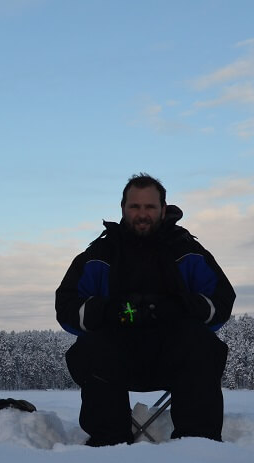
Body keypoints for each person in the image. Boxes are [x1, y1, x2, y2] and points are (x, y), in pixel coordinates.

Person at [55, 173, 235, 446]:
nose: (142, 214)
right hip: (114, 362)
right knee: (91, 346)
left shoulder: (188, 252)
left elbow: (221, 301)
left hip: (174, 360)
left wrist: (180, 307)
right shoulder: (99, 255)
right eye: (135, 207)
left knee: (202, 343)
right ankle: (108, 443)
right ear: (123, 209)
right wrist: (108, 311)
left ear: (163, 209)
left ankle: (199, 445)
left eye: (149, 207)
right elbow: (66, 306)